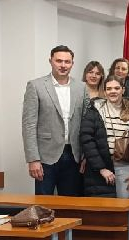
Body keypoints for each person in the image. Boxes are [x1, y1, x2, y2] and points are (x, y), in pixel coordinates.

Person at [80, 76, 129, 240]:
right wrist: (101, 168)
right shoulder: (94, 110)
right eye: (109, 88)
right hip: (100, 170)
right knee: (102, 217)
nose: (113, 91)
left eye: (117, 88)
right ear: (104, 91)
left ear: (123, 89)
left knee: (119, 216)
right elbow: (87, 139)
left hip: (125, 168)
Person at [22, 45, 86, 196]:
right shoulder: (36, 86)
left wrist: (85, 156)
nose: (63, 65)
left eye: (67, 62)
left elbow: (85, 123)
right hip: (45, 157)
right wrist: (33, 159)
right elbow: (29, 125)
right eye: (59, 61)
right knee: (43, 204)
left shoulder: (81, 87)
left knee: (70, 204)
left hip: (74, 155)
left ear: (72, 64)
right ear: (50, 61)